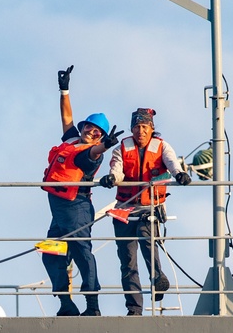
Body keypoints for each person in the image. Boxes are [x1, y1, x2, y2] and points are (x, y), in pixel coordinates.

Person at [41, 65, 123, 316]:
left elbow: (92, 154)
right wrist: (64, 90)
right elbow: (66, 118)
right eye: (89, 127)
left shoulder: (90, 152)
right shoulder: (71, 140)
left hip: (76, 208)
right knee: (50, 253)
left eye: (97, 132)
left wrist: (105, 147)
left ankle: (92, 305)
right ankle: (66, 302)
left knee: (81, 252)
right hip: (59, 210)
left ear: (101, 137)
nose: (91, 132)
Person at [99, 108, 191, 316]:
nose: (140, 131)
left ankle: (157, 278)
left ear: (151, 128)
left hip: (149, 209)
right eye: (136, 127)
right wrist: (112, 178)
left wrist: (180, 174)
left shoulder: (162, 147)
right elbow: (117, 168)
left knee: (147, 241)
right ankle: (134, 308)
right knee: (127, 261)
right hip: (124, 210)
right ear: (132, 129)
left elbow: (171, 163)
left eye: (144, 127)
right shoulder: (122, 148)